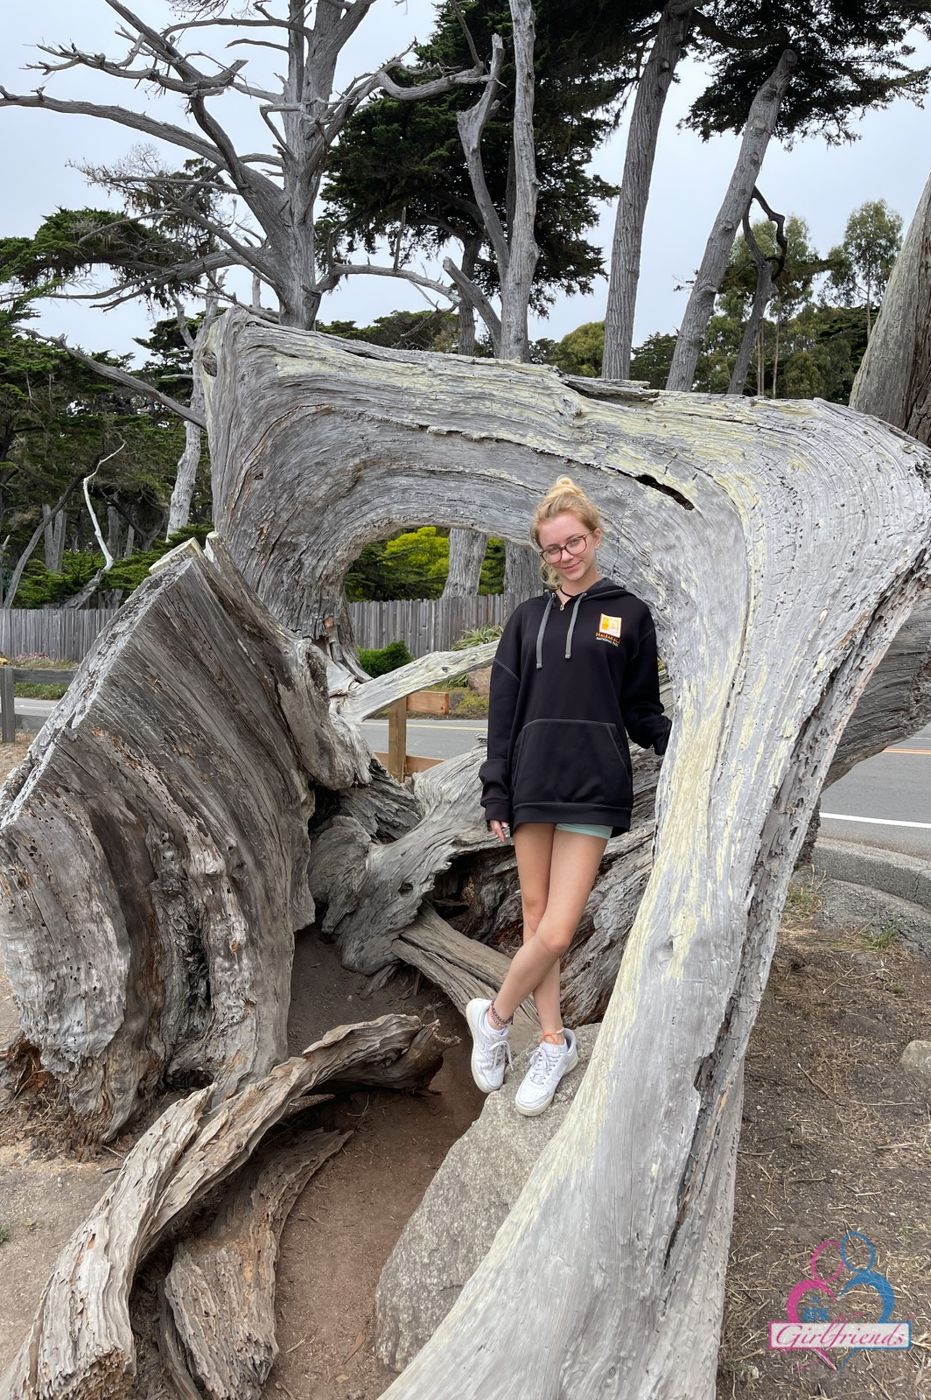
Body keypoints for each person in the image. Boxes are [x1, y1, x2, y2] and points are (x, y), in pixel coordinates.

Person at [467, 475, 672, 1116]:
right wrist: (497, 790)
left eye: (574, 542)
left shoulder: (629, 613)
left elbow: (640, 708)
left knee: (557, 932)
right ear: (542, 553)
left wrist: (680, 740)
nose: (565, 556)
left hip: (592, 784)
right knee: (535, 919)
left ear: (595, 536)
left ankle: (494, 1018)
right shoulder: (526, 619)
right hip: (533, 782)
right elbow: (503, 712)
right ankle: (553, 1042)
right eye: (553, 548)